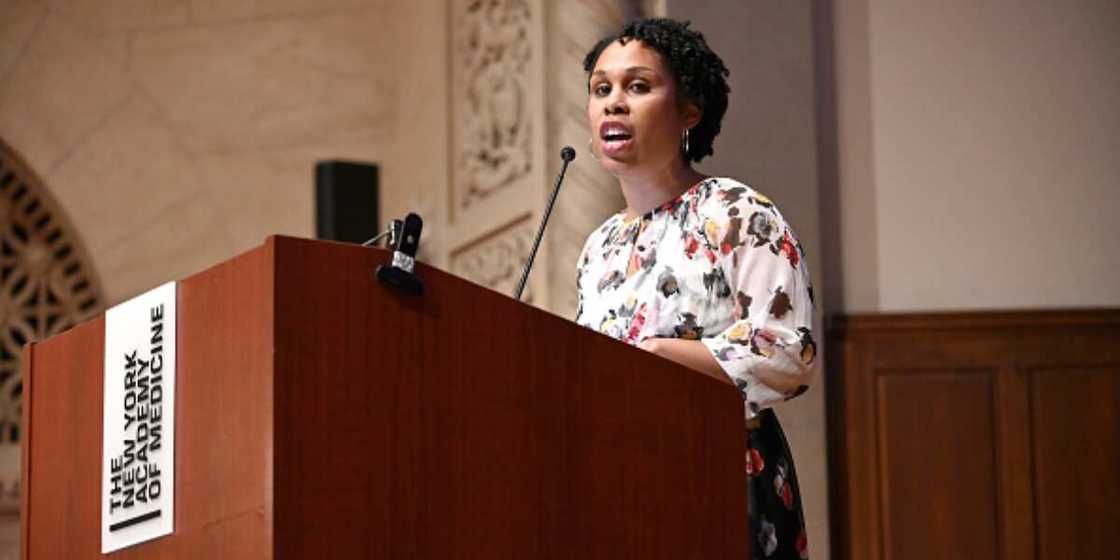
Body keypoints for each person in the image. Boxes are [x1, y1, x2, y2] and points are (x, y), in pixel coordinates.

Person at [574, 18, 816, 560]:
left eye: (638, 86)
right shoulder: (599, 246)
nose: (613, 102)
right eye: (601, 88)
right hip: (619, 483)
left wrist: (658, 356)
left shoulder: (736, 211)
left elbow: (787, 351)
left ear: (688, 111)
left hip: (720, 472)